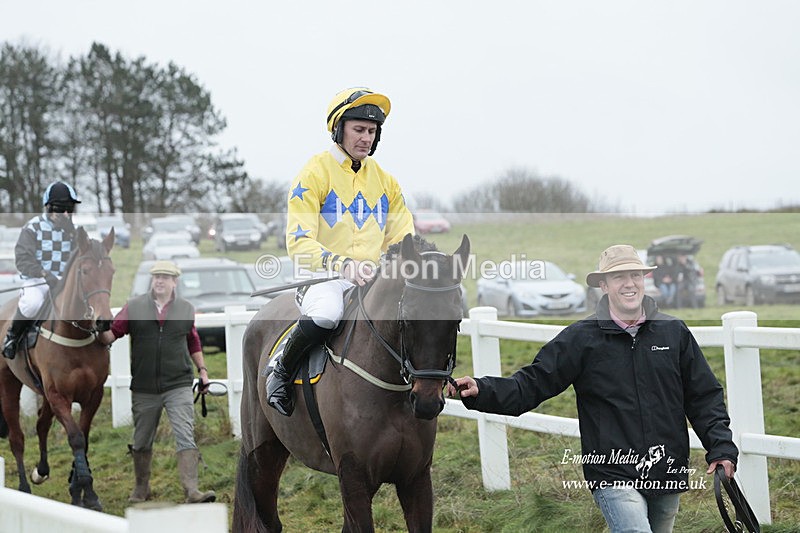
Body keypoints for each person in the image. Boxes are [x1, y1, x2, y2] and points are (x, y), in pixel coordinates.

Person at [448, 245, 738, 533]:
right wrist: (482, 389)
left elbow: (703, 396)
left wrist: (721, 447)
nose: (629, 283)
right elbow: (532, 383)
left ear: (644, 279)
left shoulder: (674, 333)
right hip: (611, 470)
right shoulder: (581, 339)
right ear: (603, 285)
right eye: (618, 277)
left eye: (635, 275)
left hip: (666, 468)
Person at [266, 87, 415, 416]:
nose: (366, 138)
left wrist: (397, 266)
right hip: (323, 278)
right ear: (339, 129)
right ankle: (280, 372)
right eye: (359, 129)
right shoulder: (314, 173)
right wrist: (342, 264)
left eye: (372, 132)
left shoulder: (386, 182)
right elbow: (298, 240)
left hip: (371, 280)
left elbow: (403, 237)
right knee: (327, 315)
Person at [99, 260, 215, 504]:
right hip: (144, 387)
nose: (160, 280)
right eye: (156, 276)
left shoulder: (185, 309)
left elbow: (192, 340)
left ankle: (192, 491)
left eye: (165, 277)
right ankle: (141, 489)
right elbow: (112, 334)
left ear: (175, 282)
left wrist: (202, 370)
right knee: (141, 440)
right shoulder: (134, 306)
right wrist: (98, 330)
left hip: (179, 383)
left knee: (185, 435)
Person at [3, 182, 81, 359]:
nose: (67, 214)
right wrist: (45, 274)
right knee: (31, 304)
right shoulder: (33, 227)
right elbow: (23, 260)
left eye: (70, 209)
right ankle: (12, 337)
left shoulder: (74, 231)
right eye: (61, 209)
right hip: (38, 280)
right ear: (49, 208)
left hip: (66, 283)